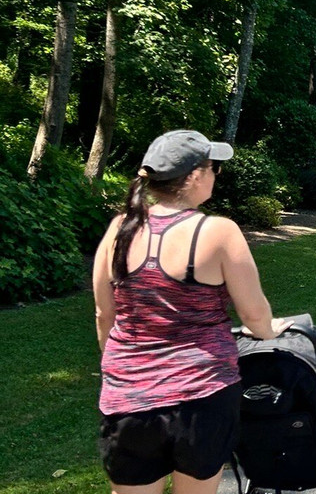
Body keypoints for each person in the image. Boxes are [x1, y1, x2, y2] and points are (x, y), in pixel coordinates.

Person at [93, 130, 290, 494]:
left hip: (128, 403)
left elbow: (105, 315)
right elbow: (254, 316)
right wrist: (270, 330)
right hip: (202, 399)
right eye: (214, 167)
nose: (216, 175)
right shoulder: (218, 232)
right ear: (195, 176)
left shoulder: (119, 229)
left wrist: (127, 370)